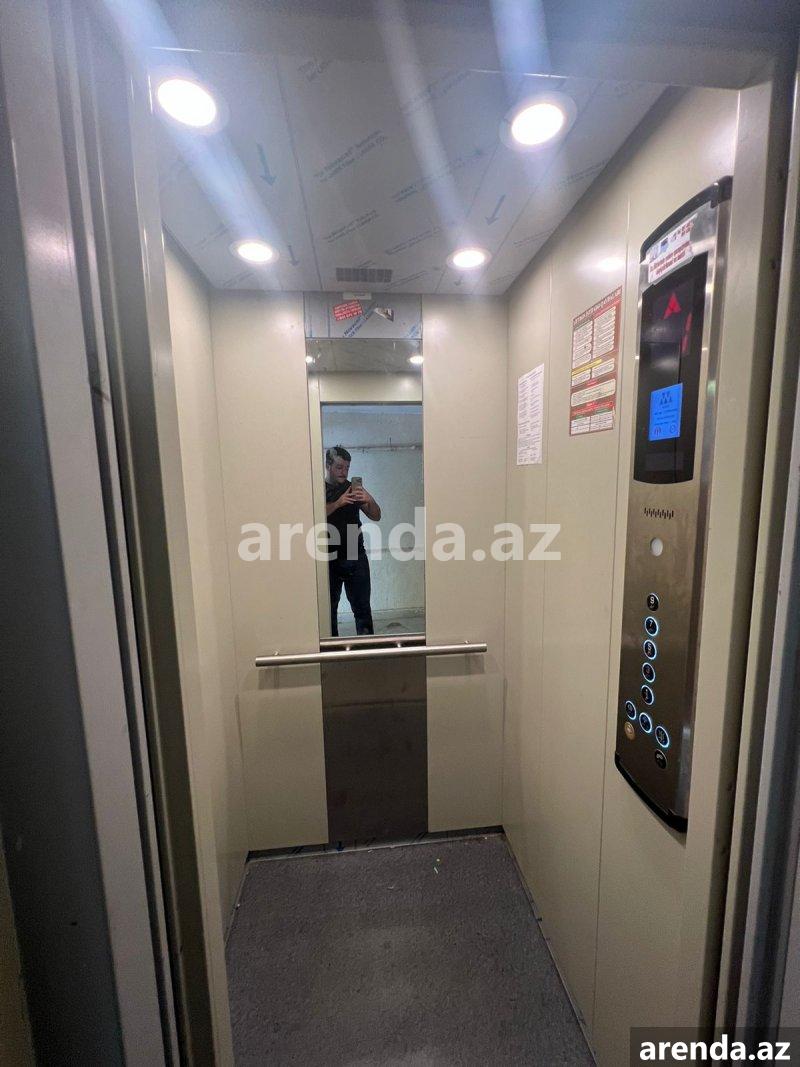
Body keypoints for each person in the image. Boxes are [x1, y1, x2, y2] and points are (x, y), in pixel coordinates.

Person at [325, 446, 381, 636]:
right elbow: (312, 516)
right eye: (339, 467)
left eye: (347, 468)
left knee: (362, 609)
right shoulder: (318, 490)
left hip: (354, 553)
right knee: (328, 611)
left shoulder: (353, 489)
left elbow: (376, 515)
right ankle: (331, 650)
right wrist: (338, 503)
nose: (344, 472)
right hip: (328, 555)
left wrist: (369, 499)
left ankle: (367, 649)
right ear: (328, 466)